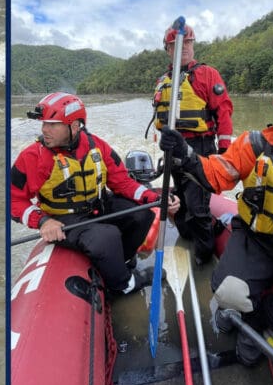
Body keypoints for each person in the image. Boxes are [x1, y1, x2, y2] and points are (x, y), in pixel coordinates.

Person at [159, 72, 273, 366]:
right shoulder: (255, 145)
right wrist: (185, 153)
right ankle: (251, 316)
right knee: (227, 290)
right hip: (258, 242)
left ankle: (258, 316)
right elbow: (216, 173)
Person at [11, 92, 180, 296]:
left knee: (142, 215)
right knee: (106, 237)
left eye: (52, 124)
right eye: (44, 123)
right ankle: (124, 284)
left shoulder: (97, 146)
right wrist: (43, 221)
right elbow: (13, 198)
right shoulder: (32, 157)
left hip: (99, 205)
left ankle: (122, 261)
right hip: (64, 219)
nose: (44, 130)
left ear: (74, 126)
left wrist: (155, 198)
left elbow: (123, 182)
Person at [153, 18, 234, 266]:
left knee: (199, 207)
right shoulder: (162, 81)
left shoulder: (208, 75)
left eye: (188, 42)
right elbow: (159, 118)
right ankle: (187, 236)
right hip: (173, 149)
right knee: (183, 200)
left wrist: (224, 150)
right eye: (179, 44)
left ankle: (203, 255)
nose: (185, 47)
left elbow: (224, 112)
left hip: (200, 148)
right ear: (169, 50)